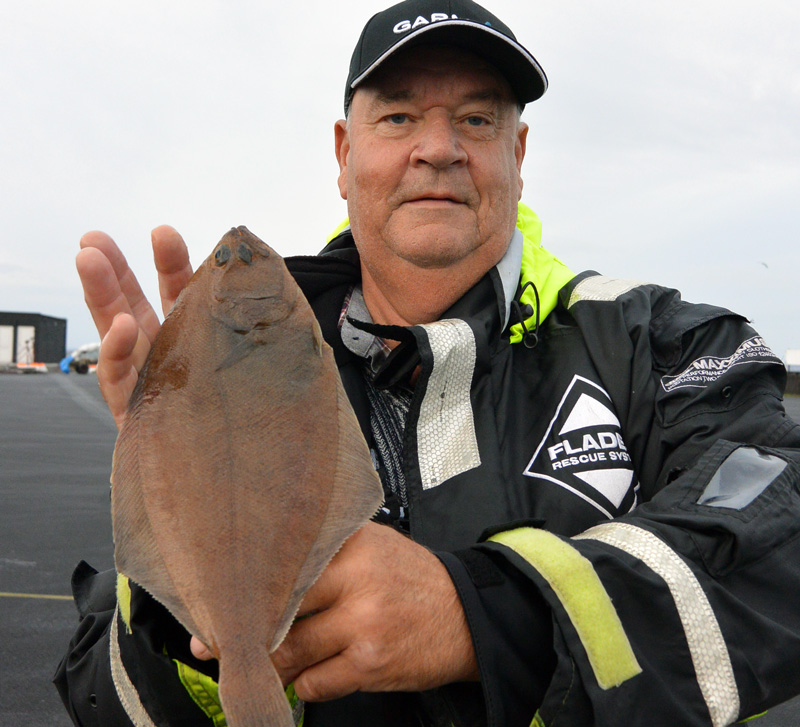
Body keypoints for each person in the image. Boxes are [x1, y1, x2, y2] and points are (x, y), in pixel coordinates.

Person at [55, 0, 800, 725]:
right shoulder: (246, 357)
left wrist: (483, 613)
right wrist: (188, 577)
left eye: (477, 120)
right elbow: (103, 695)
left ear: (519, 152)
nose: (439, 147)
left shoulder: (661, 342)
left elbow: (781, 543)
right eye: (400, 117)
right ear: (345, 155)